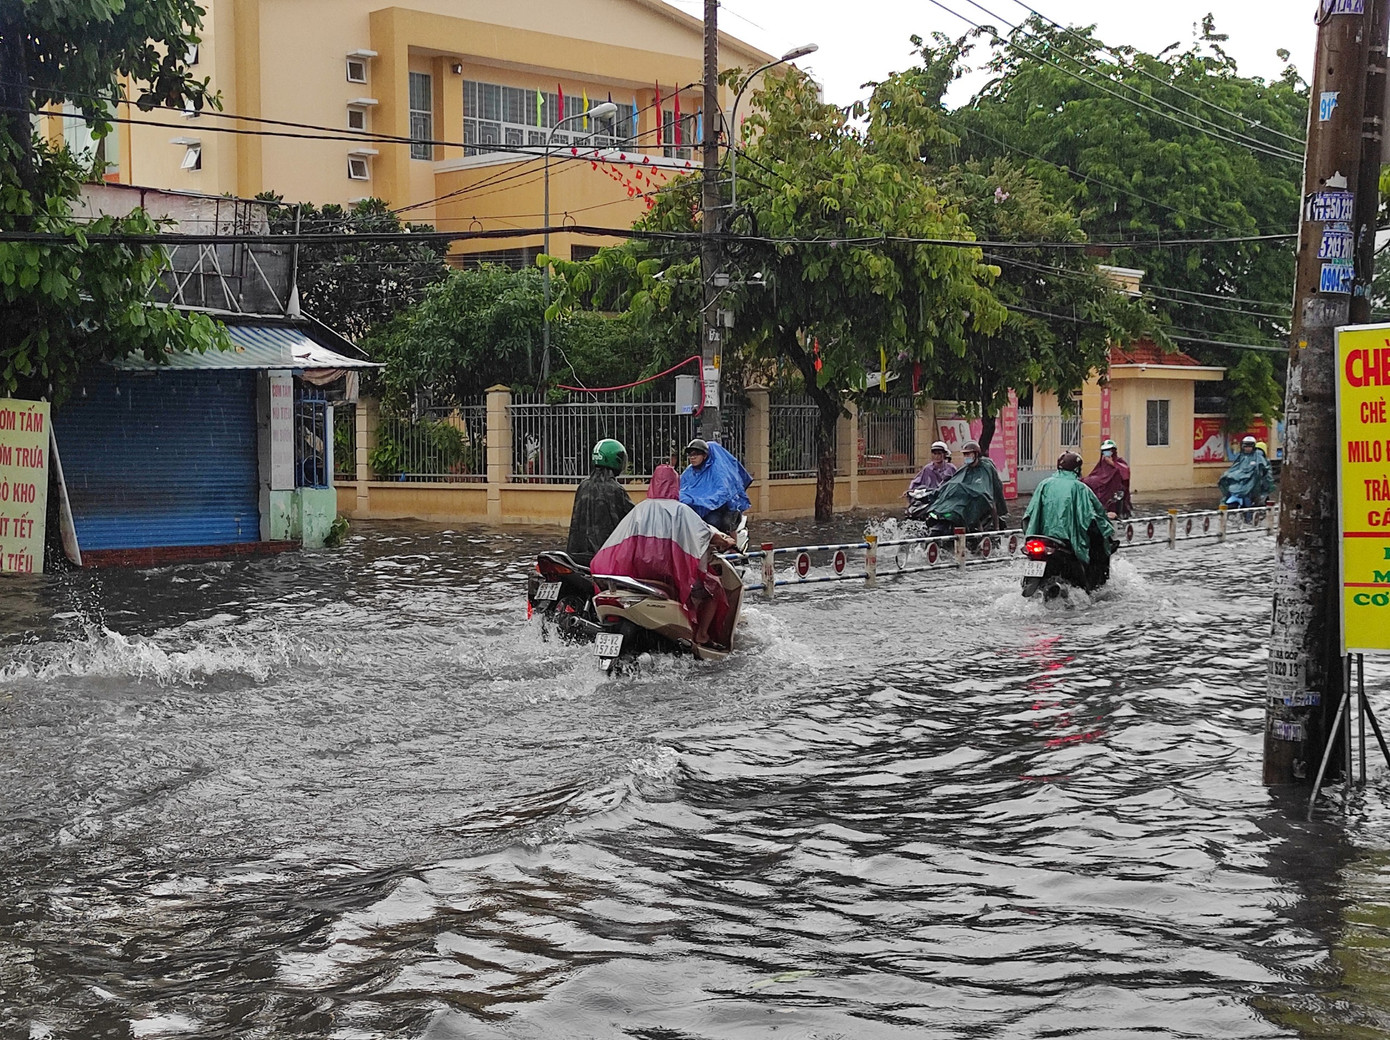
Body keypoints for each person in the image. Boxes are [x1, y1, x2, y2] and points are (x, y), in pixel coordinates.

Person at [590, 465, 736, 647]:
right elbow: (705, 533)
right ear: (675, 485)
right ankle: (702, 636)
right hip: (669, 576)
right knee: (713, 589)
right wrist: (726, 542)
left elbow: (616, 543)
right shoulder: (681, 511)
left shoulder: (639, 510)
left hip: (640, 576)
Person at [1024, 451, 1117, 588]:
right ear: (1077, 469)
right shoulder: (1080, 488)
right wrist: (1105, 526)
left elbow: (1029, 513)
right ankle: (1092, 585)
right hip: (1067, 541)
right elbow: (1092, 515)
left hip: (1041, 538)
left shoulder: (1044, 484)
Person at [565, 438, 634, 566]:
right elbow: (632, 519)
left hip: (576, 556)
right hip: (605, 556)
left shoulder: (583, 485)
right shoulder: (615, 489)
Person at [927, 439, 1008, 530]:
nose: (966, 456)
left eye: (968, 454)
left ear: (976, 454)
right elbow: (953, 482)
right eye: (965, 454)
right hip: (966, 496)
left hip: (984, 495)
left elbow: (987, 485)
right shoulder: (964, 469)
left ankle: (993, 528)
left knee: (985, 499)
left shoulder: (986, 466)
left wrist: (974, 490)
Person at [680, 438, 752, 534]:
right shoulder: (689, 472)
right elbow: (680, 486)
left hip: (721, 508)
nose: (692, 457)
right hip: (697, 509)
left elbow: (723, 491)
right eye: (690, 454)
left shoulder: (717, 470)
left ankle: (732, 546)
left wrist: (703, 501)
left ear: (705, 455)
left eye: (696, 454)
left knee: (713, 523)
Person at [1219, 434, 1274, 508]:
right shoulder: (1241, 456)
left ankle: (1249, 515)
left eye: (1249, 446)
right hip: (1240, 481)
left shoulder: (1258, 456)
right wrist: (1229, 475)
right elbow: (1235, 467)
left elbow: (1264, 468)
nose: (1247, 448)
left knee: (1249, 499)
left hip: (1253, 483)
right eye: (1245, 446)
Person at [1082, 438, 1132, 518]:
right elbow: (1094, 477)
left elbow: (1125, 473)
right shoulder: (1101, 465)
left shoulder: (1120, 462)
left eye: (1109, 450)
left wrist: (1112, 463)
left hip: (1116, 498)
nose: (1107, 452)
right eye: (1104, 450)